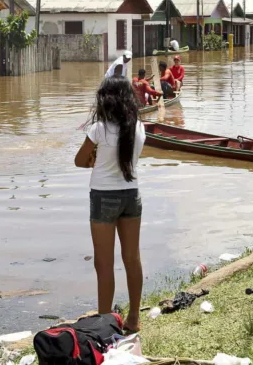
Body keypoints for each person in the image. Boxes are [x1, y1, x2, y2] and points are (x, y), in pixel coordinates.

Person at [74, 77, 146, 334]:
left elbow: (79, 161)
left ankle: (105, 322)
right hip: (131, 195)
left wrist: (95, 160)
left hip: (104, 197)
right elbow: (126, 159)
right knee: (132, 258)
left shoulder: (99, 130)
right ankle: (134, 318)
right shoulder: (138, 127)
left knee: (104, 263)